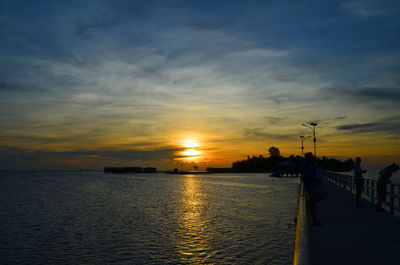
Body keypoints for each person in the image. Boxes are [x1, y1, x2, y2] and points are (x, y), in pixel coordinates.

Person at [300, 152, 326, 225]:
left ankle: (314, 220)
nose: (312, 158)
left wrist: (314, 168)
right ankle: (313, 220)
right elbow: (307, 176)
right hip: (310, 186)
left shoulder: (307, 165)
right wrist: (314, 182)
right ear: (307, 158)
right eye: (311, 157)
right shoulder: (306, 165)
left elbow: (309, 175)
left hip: (310, 186)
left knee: (312, 203)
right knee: (314, 202)